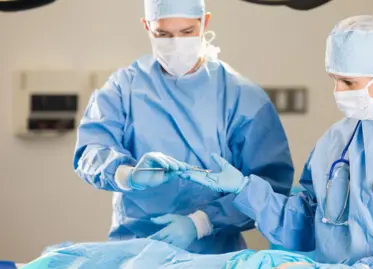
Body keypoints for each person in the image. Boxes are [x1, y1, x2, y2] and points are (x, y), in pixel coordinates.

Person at [180, 15, 373, 268]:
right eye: (334, 79)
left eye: (349, 82)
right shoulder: (336, 140)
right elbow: (308, 223)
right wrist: (246, 190)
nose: (338, 90)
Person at [73, 0, 294, 255]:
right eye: (163, 34)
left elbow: (269, 188)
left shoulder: (242, 96)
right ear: (147, 26)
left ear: (205, 23)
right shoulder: (124, 87)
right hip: (135, 251)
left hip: (214, 254)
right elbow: (92, 150)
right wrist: (127, 174)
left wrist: (202, 222)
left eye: (187, 32)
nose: (176, 43)